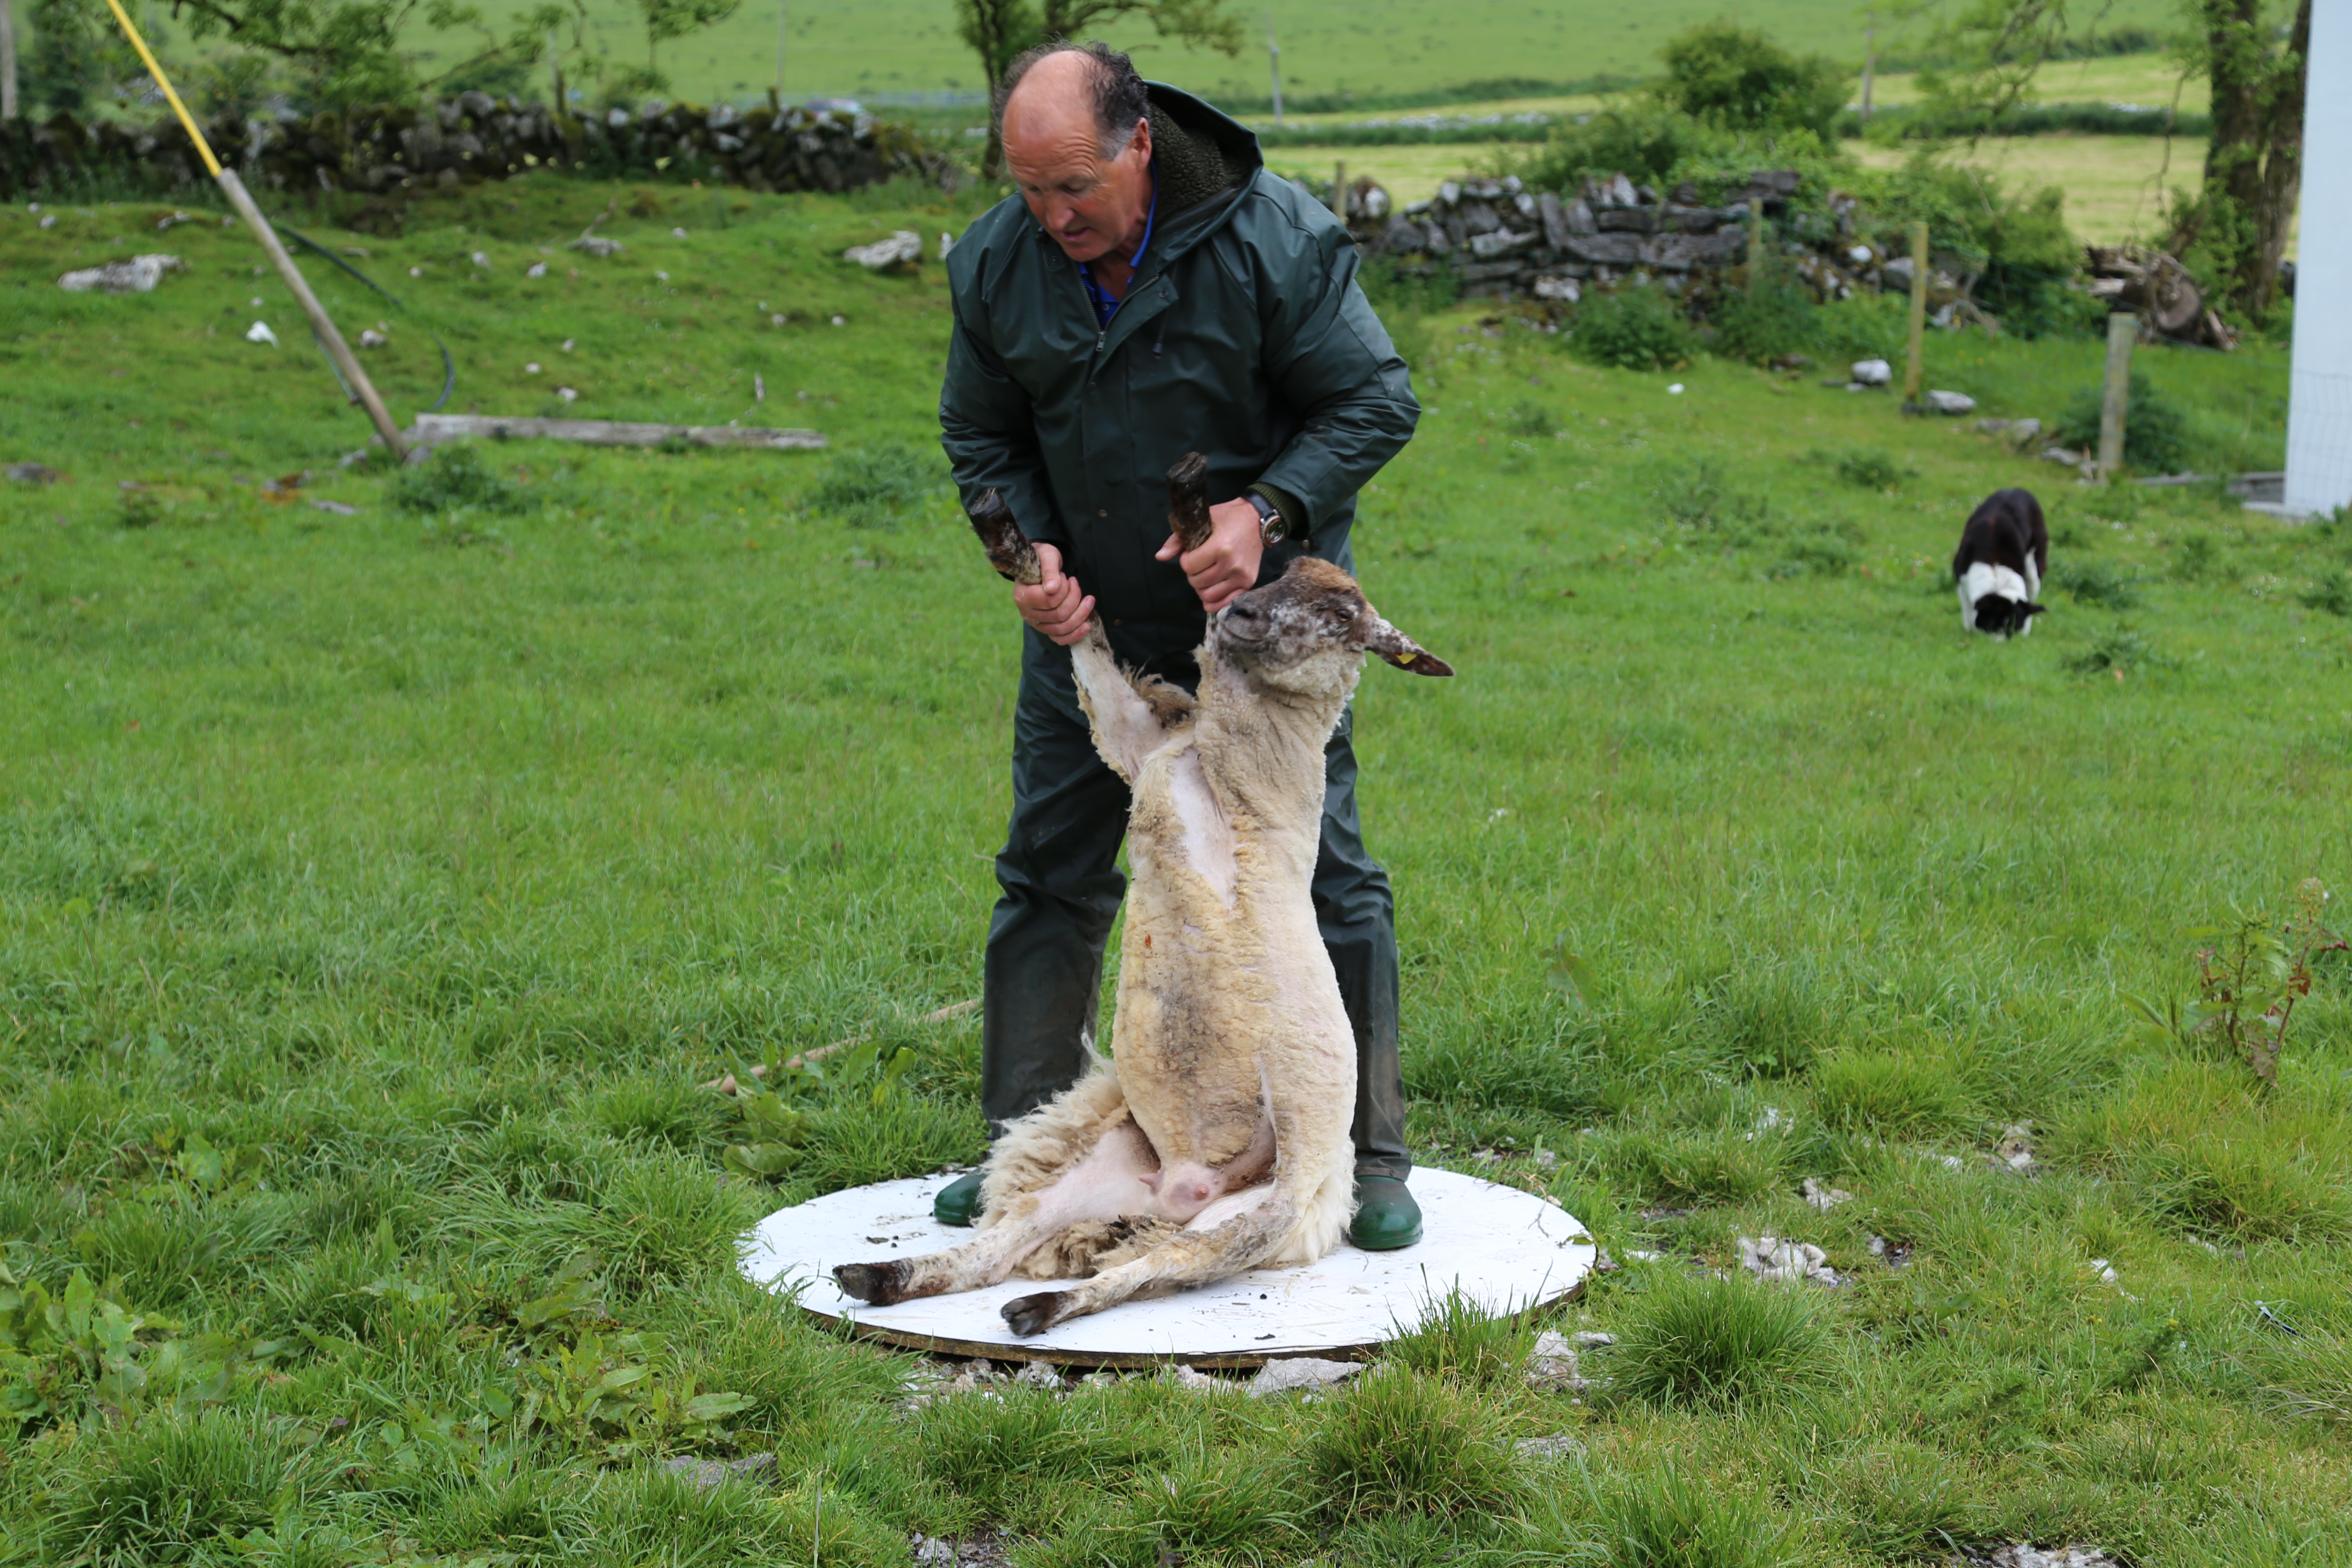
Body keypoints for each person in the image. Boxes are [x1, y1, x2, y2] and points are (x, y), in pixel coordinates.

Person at [934, 41, 1425, 1249]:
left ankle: (1365, 1161)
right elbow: (981, 435)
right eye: (1029, 189)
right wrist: (1030, 561)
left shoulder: (1274, 241)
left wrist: (1270, 515)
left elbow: (1374, 401)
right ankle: (1022, 1143)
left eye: (1076, 189)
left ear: (1139, 144)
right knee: (1049, 873)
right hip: (1094, 635)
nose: (1051, 218)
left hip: (1258, 648)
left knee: (1322, 878)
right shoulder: (999, 264)